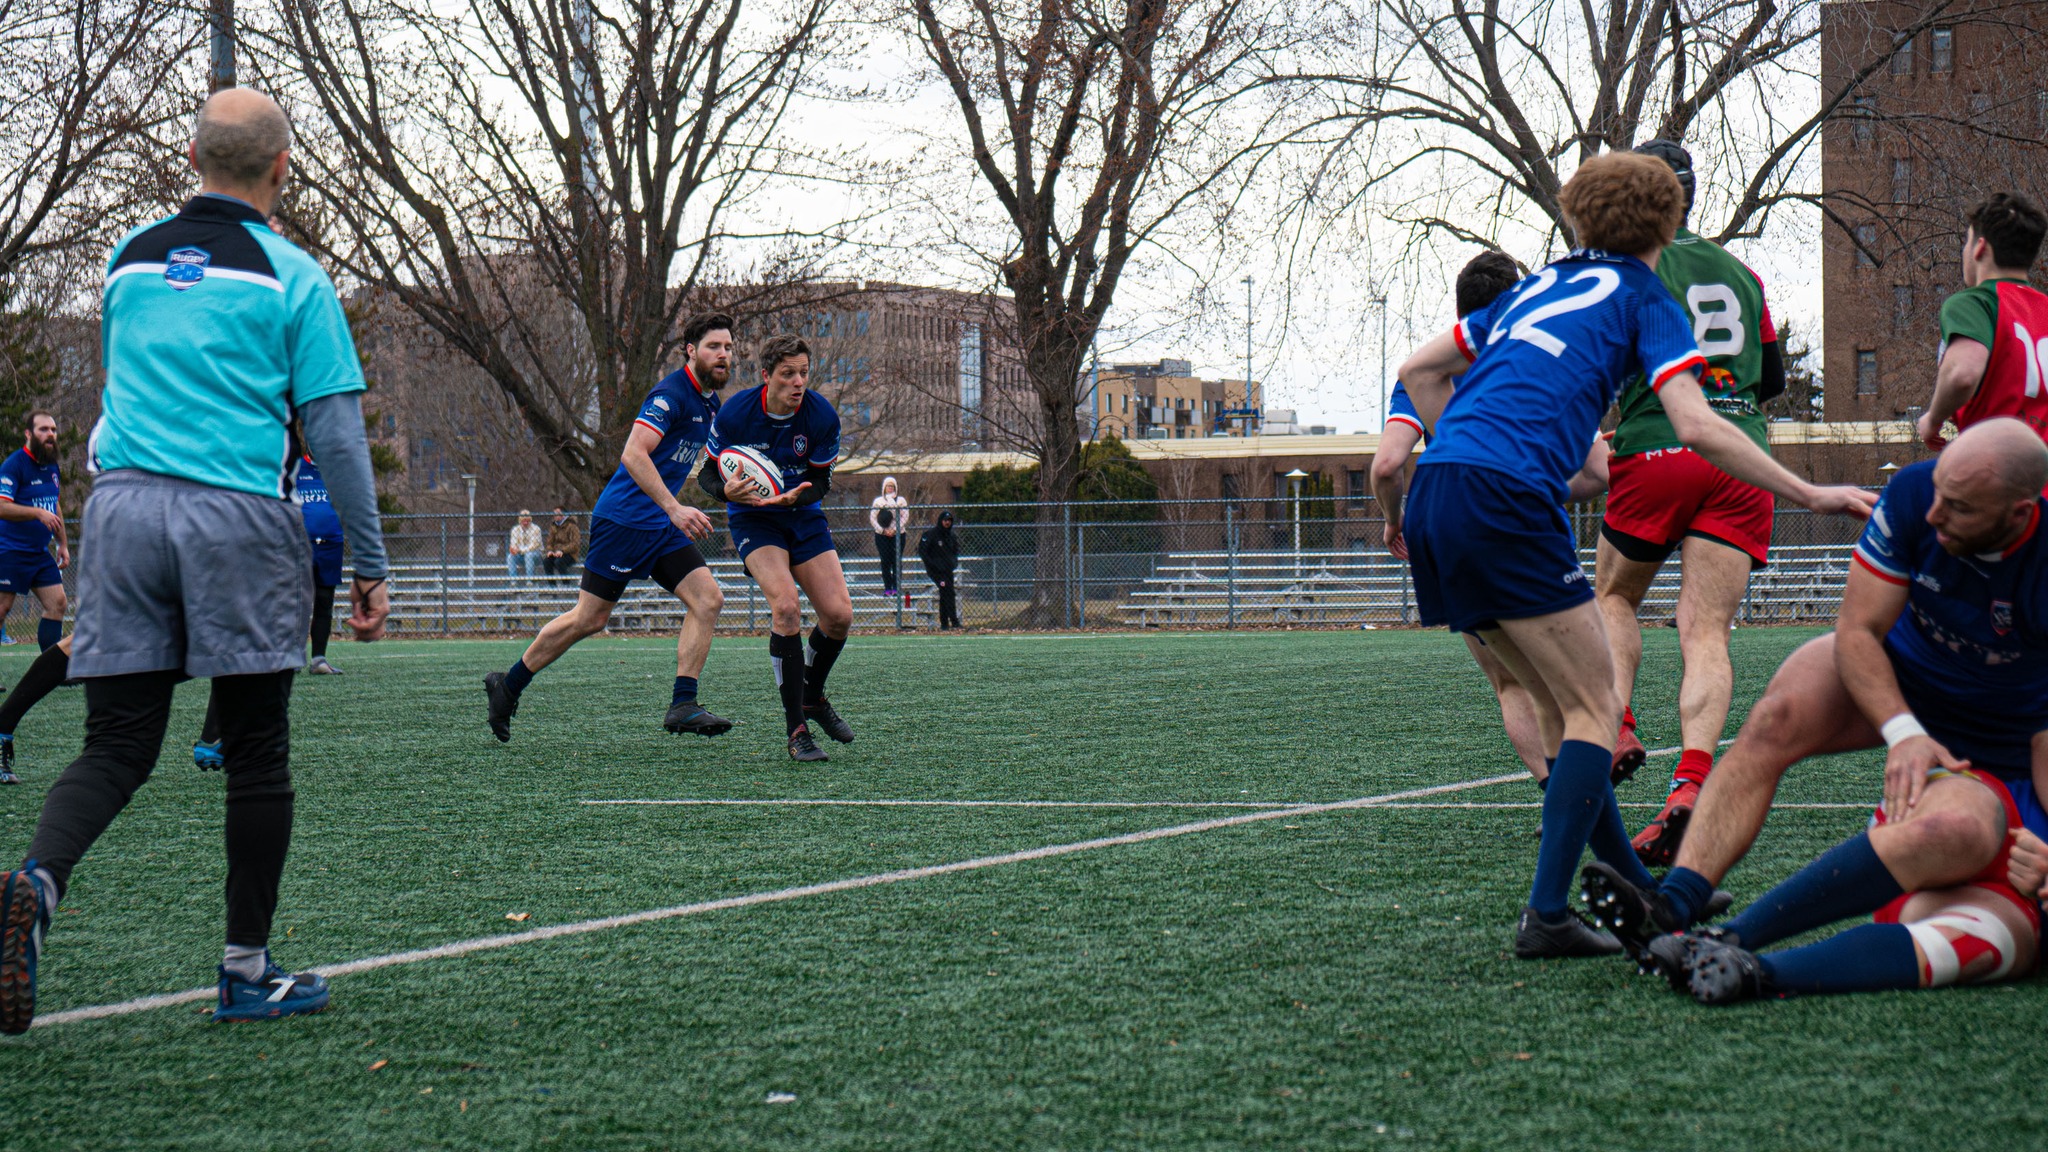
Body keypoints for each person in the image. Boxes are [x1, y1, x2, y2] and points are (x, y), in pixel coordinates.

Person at [1395, 151, 1874, 960]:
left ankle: (1645, 895)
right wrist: (1811, 493)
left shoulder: (1538, 283)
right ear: (1667, 220)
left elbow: (1419, 370)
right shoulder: (1646, 296)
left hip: (1436, 496)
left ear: (1579, 219)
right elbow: (1697, 422)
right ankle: (1547, 915)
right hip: (1504, 500)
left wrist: (1470, 445)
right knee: (1593, 710)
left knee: (1564, 709)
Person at [0, 88, 390, 1032]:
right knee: (257, 751)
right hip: (235, 516)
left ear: (190, 157)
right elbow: (334, 436)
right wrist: (368, 560)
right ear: (281, 170)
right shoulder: (292, 275)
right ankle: (246, 972)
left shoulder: (126, 261)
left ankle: (36, 882)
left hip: (124, 512)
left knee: (118, 741)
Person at [1590, 421, 2048, 1003]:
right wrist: (1903, 730)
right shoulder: (1915, 493)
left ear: (2018, 514)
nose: (1934, 515)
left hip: (1998, 744)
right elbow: (1857, 631)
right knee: (1779, 715)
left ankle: (1738, 952)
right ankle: (1674, 903)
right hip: (1902, 671)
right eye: (1939, 493)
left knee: (1993, 930)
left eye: (1958, 507)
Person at [1593, 140, 1788, 864]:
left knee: (1613, 598)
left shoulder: (1628, 268)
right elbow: (1768, 379)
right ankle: (1691, 784)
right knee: (1706, 631)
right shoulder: (1742, 272)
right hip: (1741, 456)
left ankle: (1615, 726)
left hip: (1658, 444)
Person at [1375, 249, 1581, 789]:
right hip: (1515, 518)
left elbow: (1388, 465)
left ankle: (1553, 791)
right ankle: (1581, 794)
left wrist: (1393, 520)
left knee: (1511, 682)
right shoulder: (1532, 354)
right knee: (1574, 681)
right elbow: (1593, 471)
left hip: (1442, 524)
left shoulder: (1428, 371)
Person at [484, 314, 736, 742]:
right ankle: (507, 685)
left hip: (658, 524)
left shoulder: (709, 404)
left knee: (708, 599)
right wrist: (675, 508)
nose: (724, 355)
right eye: (714, 346)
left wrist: (731, 486)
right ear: (691, 351)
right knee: (590, 618)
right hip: (622, 521)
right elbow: (633, 454)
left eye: (729, 348)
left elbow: (702, 464)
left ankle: (683, 704)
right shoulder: (670, 395)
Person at [698, 333, 853, 763]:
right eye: (788, 374)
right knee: (785, 606)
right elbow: (707, 476)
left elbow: (821, 481)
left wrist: (797, 497)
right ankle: (796, 731)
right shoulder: (736, 413)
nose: (798, 382)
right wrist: (727, 491)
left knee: (839, 615)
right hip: (754, 519)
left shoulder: (821, 415)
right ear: (767, 376)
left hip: (802, 516)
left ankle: (812, 696)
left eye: (804, 373)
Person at [1914, 194, 2048, 449]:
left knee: (1906, 484)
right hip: (2041, 477)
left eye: (1966, 241)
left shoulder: (1976, 303)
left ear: (1980, 248)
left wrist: (1933, 419)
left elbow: (1962, 374)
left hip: (1995, 471)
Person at [0, 412, 71, 655]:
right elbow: (1, 506)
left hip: (39, 554)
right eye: (43, 429)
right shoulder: (14, 464)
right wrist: (36, 513)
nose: (50, 434)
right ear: (29, 434)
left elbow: (55, 503)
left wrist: (63, 543)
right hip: (9, 550)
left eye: (53, 429)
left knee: (58, 604)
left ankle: (50, 670)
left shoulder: (51, 465)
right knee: (2, 608)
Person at [293, 453, 347, 675]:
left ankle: (319, 660)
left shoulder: (338, 468)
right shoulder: (295, 467)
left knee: (324, 602)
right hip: (299, 544)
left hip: (331, 544)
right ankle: (293, 658)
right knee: (297, 602)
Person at [917, 510, 961, 629]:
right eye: (945, 520)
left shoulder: (951, 536)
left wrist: (953, 563)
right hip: (936, 571)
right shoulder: (931, 534)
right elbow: (923, 551)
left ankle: (947, 623)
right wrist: (933, 564)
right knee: (946, 590)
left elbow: (956, 551)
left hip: (947, 571)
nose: (947, 523)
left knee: (948, 593)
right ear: (941, 521)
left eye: (949, 521)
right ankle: (951, 622)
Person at [870, 476, 908, 597]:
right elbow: (873, 518)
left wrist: (895, 529)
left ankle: (896, 588)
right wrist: (882, 530)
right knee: (885, 561)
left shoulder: (901, 501)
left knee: (896, 561)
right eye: (888, 486)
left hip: (898, 535)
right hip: (882, 536)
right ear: (884, 488)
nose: (890, 488)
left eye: (892, 486)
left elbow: (905, 516)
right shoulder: (878, 502)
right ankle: (887, 588)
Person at [543, 507, 580, 576]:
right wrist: (550, 550)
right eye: (554, 514)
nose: (554, 516)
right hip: (555, 552)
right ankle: (552, 585)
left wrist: (562, 550)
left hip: (570, 554)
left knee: (559, 562)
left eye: (557, 513)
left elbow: (575, 544)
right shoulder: (553, 526)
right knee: (546, 561)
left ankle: (566, 584)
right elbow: (549, 542)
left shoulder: (572, 526)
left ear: (563, 514)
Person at [506, 510, 542, 578]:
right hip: (520, 555)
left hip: (536, 555)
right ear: (520, 520)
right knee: (510, 557)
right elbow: (513, 543)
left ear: (530, 520)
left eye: (527, 520)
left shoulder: (536, 529)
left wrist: (520, 550)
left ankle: (530, 581)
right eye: (523, 520)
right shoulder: (515, 530)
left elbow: (534, 546)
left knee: (529, 555)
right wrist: (514, 549)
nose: (525, 522)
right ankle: (513, 581)